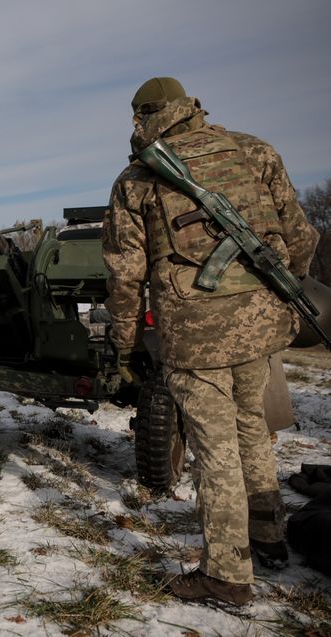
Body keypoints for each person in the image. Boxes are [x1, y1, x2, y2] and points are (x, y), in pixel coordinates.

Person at [103, 77, 318, 606]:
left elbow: (124, 277)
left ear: (143, 117)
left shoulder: (136, 179)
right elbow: (301, 236)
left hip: (195, 335)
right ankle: (268, 537)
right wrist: (278, 295)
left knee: (214, 450)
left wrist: (127, 343)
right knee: (252, 428)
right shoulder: (254, 150)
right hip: (261, 325)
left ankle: (226, 574)